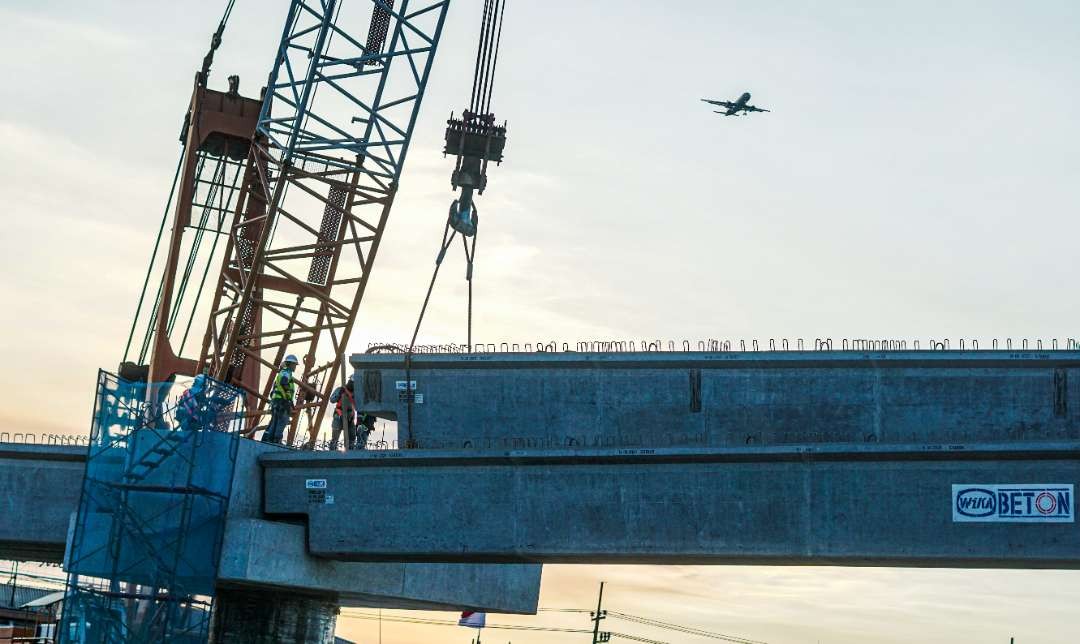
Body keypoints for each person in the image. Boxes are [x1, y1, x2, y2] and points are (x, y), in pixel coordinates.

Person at [261, 355, 298, 444]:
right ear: (290, 364)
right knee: (282, 421)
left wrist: (291, 403)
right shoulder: (286, 373)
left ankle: (270, 440)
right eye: (295, 365)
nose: (295, 367)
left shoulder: (283, 372)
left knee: (275, 421)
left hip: (278, 401)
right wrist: (287, 398)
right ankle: (276, 440)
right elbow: (284, 383)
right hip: (282, 401)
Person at [329, 380, 357, 451]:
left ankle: (350, 452)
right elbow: (332, 400)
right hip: (339, 414)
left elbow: (358, 406)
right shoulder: (341, 390)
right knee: (335, 436)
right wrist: (339, 394)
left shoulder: (356, 393)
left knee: (352, 436)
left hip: (350, 416)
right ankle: (332, 451)